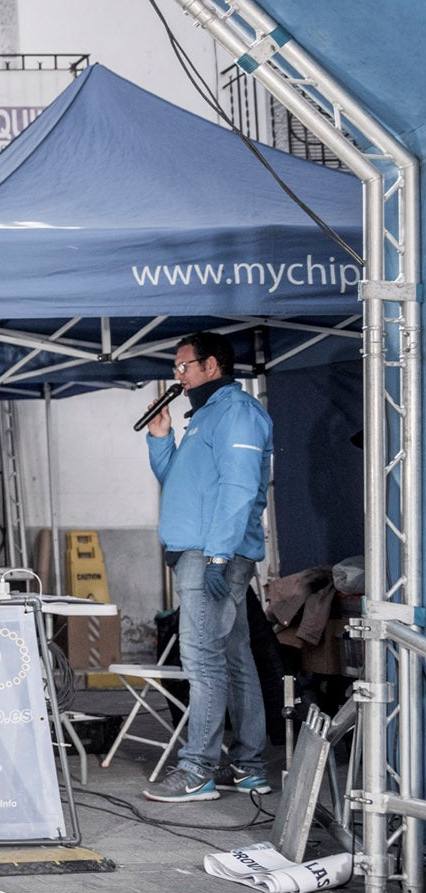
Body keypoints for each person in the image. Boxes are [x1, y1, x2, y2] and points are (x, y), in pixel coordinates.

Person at [143, 331, 275, 804]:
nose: (177, 375)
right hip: (201, 552)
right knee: (235, 659)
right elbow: (180, 483)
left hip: (212, 555)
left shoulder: (236, 413)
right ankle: (249, 766)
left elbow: (240, 489)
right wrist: (162, 441)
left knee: (203, 662)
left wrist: (219, 555)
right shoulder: (205, 417)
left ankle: (197, 769)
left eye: (184, 366)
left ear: (212, 365)